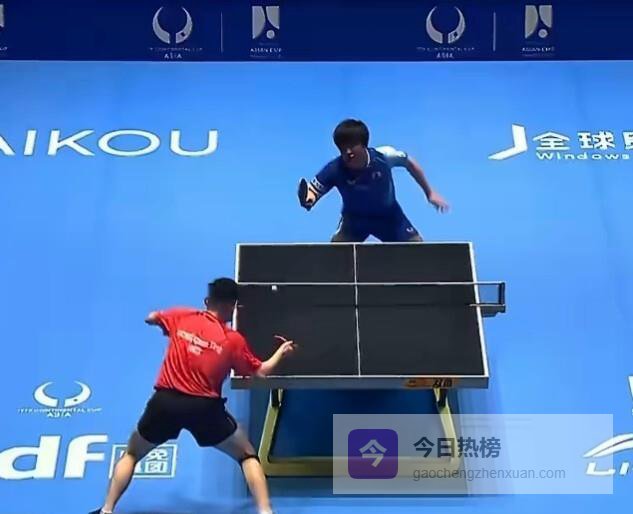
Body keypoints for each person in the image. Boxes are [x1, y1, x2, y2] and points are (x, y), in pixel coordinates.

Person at [89, 278, 295, 514]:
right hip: (204, 409)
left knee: (132, 453)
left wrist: (164, 322)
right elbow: (260, 372)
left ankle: (106, 510)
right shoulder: (233, 341)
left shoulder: (182, 316)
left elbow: (151, 317)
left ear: (207, 301)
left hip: (165, 403)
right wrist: (281, 352)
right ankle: (266, 512)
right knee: (247, 456)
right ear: (233, 306)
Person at [298, 118, 450, 242]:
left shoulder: (384, 156)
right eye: (343, 148)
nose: (348, 152)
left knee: (418, 252)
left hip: (390, 218)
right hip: (354, 222)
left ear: (364, 144)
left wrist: (429, 193)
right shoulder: (335, 169)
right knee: (336, 260)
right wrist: (308, 199)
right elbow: (313, 190)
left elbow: (409, 162)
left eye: (352, 146)